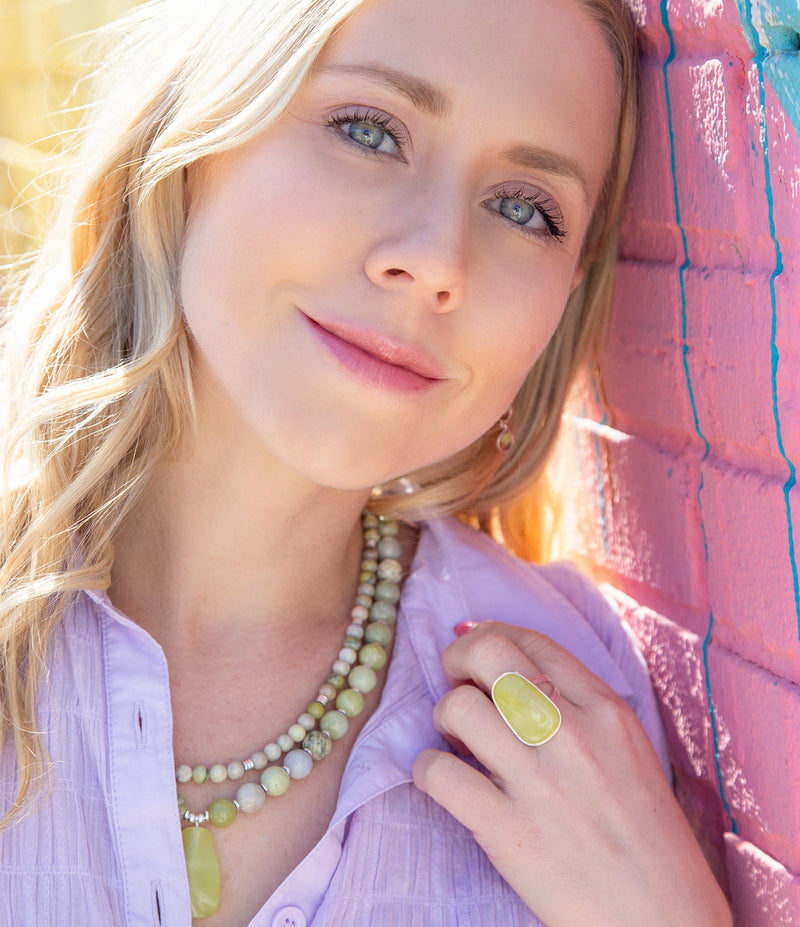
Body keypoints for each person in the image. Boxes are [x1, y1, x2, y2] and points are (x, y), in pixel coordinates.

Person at [0, 0, 732, 924]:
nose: (436, 262)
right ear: (189, 135)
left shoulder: (571, 709)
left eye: (525, 208)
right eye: (369, 131)